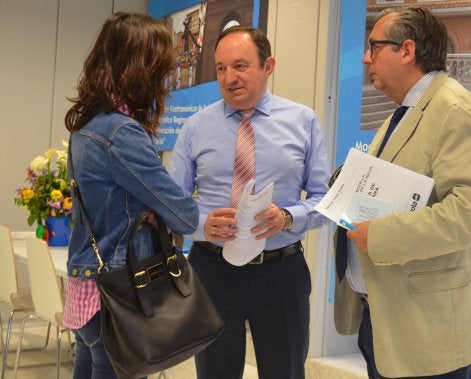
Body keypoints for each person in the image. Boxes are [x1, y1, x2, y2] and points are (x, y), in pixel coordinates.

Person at [334, 7, 471, 379]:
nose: (365, 58)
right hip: (387, 319)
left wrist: (380, 236)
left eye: (374, 47)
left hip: (427, 329)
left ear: (406, 51)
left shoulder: (454, 109)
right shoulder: (405, 112)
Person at [169, 26, 330, 379]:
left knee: (285, 371)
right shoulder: (196, 127)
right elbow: (172, 203)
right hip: (213, 270)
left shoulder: (303, 121)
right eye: (222, 68)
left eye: (240, 66)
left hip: (281, 272)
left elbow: (324, 200)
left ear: (268, 65)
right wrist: (201, 224)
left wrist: (288, 217)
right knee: (214, 372)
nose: (229, 78)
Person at [63, 12, 199, 378]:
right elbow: (185, 214)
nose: (168, 80)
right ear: (143, 69)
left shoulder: (87, 127)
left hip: (90, 290)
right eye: (163, 69)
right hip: (118, 295)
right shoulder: (121, 133)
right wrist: (158, 210)